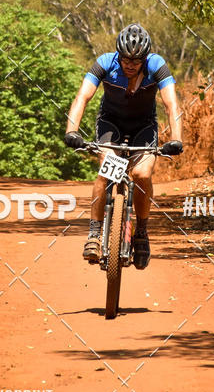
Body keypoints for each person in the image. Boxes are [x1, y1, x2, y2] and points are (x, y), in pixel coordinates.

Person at [65, 23, 183, 269]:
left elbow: (172, 104)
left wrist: (176, 139)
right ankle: (95, 235)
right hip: (111, 124)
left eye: (136, 60)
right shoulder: (105, 62)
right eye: (125, 59)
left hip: (144, 127)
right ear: (118, 54)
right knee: (108, 170)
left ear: (145, 58)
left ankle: (141, 231)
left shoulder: (156, 65)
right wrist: (71, 131)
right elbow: (82, 97)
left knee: (141, 174)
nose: (129, 64)